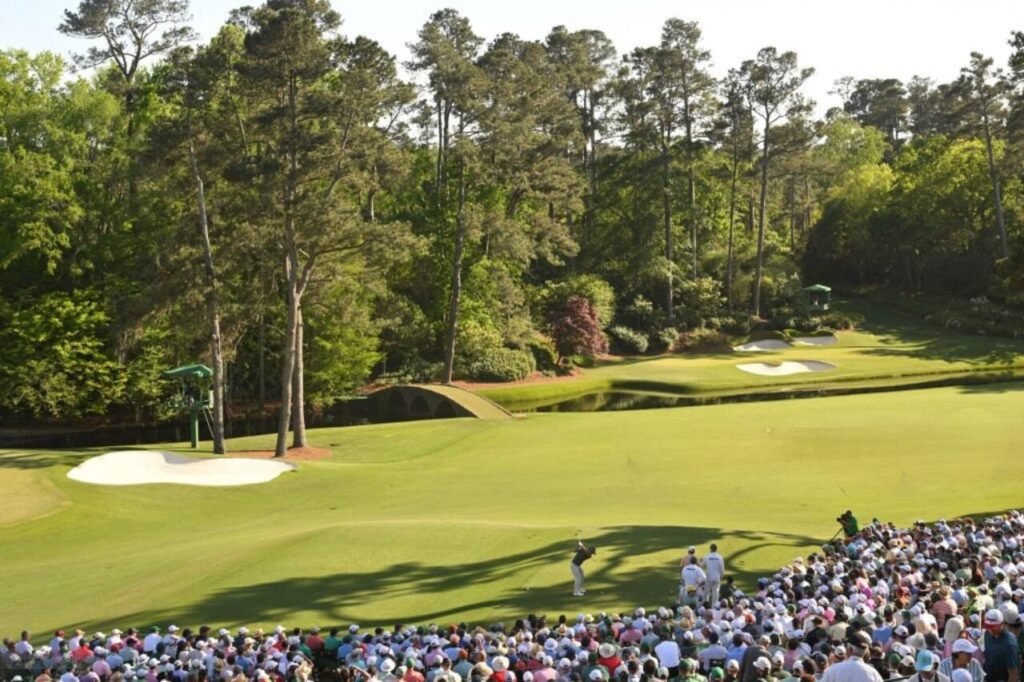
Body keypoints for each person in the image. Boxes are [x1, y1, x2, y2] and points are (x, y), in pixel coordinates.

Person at [981, 609, 1019, 682]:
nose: (990, 629)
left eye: (993, 626)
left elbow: (1013, 675)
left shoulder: (1009, 644)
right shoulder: (987, 634)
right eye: (988, 626)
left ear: (1002, 624)